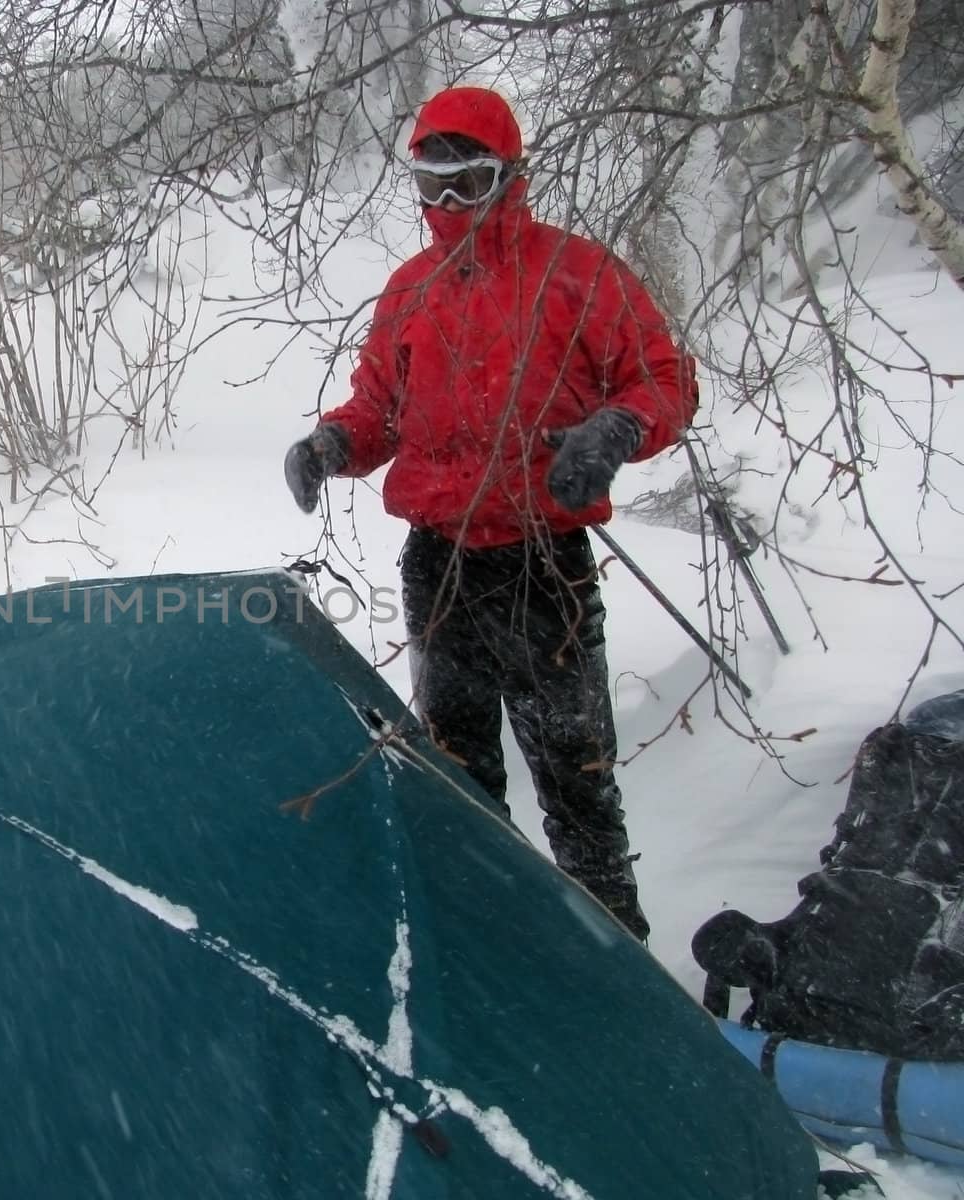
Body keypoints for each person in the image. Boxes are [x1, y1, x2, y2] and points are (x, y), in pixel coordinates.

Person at [283, 86, 698, 941]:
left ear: (508, 178)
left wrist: (616, 427)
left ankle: (615, 962)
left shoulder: (575, 274)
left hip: (544, 568)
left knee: (577, 780)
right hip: (440, 570)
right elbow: (379, 412)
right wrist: (331, 444)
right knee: (457, 781)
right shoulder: (411, 290)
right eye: (429, 188)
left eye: (465, 185)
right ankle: (491, 948)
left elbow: (664, 379)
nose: (445, 208)